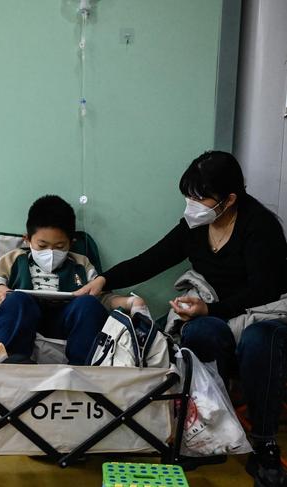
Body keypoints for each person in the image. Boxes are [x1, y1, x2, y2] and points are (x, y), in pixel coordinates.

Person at [76, 151, 287, 486]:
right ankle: (203, 431)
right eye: (188, 196)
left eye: (200, 197)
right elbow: (152, 258)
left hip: (261, 312)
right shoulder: (195, 225)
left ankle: (264, 444)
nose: (192, 204)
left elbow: (263, 290)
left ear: (230, 199)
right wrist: (104, 279)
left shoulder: (259, 227)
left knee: (260, 340)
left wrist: (210, 309)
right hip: (216, 312)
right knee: (199, 333)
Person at [0, 195, 148, 365]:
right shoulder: (13, 259)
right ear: (27, 239)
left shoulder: (81, 264)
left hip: (64, 320)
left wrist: (129, 302)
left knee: (88, 304)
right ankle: (13, 360)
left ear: (71, 243)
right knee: (16, 300)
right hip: (21, 318)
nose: (50, 253)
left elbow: (101, 298)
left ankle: (82, 366)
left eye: (60, 247)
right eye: (42, 246)